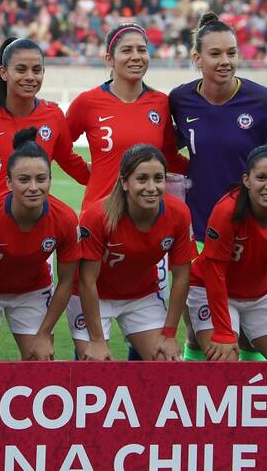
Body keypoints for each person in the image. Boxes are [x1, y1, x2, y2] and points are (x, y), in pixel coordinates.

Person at [170, 12, 267, 361]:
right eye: (215, 53)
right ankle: (200, 387)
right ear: (197, 59)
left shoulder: (265, 102)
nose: (225, 61)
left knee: (247, 326)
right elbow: (164, 149)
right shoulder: (180, 100)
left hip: (253, 225)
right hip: (199, 226)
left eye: (231, 52)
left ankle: (250, 387)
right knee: (202, 327)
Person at [66, 22, 188, 360]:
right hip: (101, 220)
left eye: (142, 50)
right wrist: (86, 177)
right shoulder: (88, 102)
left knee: (143, 301)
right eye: (127, 50)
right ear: (110, 58)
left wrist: (207, 172)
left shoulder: (161, 103)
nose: (136, 56)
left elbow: (171, 158)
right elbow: (59, 146)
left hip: (145, 219)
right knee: (92, 303)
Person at [187, 146, 267, 361]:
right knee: (223, 361)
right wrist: (223, 331)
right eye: (261, 177)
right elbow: (215, 270)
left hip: (266, 293)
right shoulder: (227, 210)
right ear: (246, 180)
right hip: (213, 290)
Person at [69, 144, 197, 361]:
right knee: (95, 365)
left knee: (166, 360)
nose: (151, 187)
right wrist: (97, 340)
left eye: (158, 178)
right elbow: (87, 280)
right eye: (142, 179)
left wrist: (169, 333)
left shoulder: (179, 214)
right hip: (94, 296)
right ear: (124, 183)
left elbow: (183, 275)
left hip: (141, 295)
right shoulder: (97, 216)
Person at [0, 128, 80, 360]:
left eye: (41, 179)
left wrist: (44, 333)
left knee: (41, 359)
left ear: (50, 179)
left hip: (32, 292)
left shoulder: (65, 218)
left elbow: (67, 280)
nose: (33, 187)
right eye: (23, 179)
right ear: (8, 182)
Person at [0, 37, 89, 208]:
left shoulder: (53, 116)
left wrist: (115, 173)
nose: (30, 77)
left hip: (36, 220)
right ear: (3, 72)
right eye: (21, 69)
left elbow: (73, 164)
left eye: (36, 70)